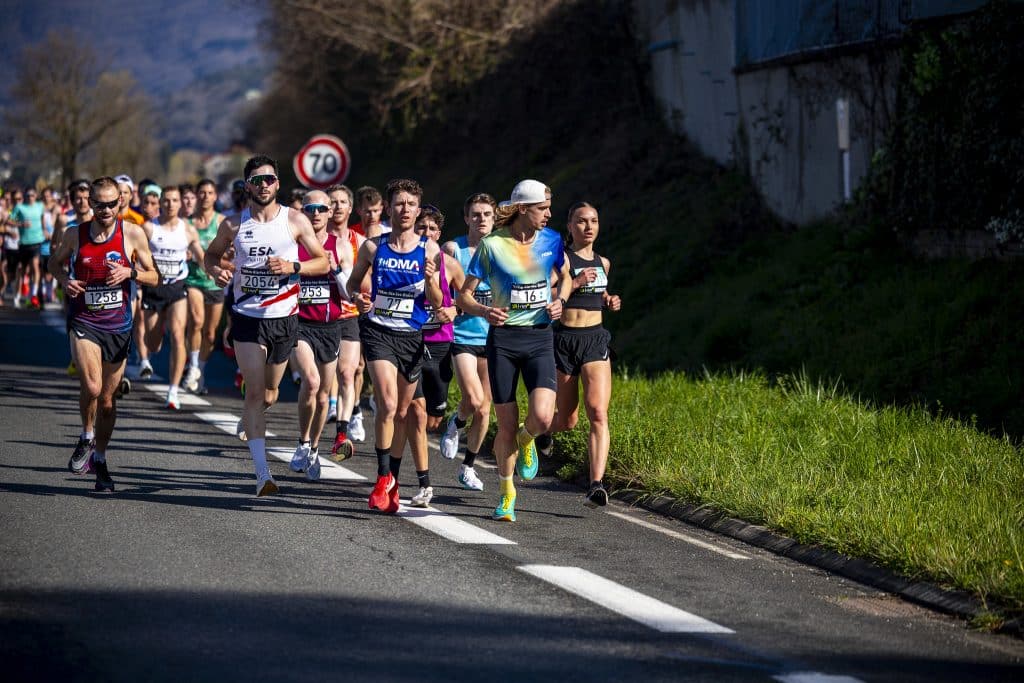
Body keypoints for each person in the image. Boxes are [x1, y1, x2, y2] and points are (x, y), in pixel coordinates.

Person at [203, 154, 329, 496]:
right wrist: (215, 271)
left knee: (271, 392)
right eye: (257, 180)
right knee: (255, 391)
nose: (264, 185)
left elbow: (322, 262)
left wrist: (292, 266)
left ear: (277, 183)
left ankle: (251, 413)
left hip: (284, 319)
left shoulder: (296, 220)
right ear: (247, 186)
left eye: (269, 179)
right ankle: (263, 474)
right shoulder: (233, 225)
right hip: (248, 317)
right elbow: (210, 255)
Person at [458, 179, 571, 522]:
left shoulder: (551, 241)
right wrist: (484, 311)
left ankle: (528, 438)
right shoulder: (492, 245)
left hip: (539, 339)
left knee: (541, 417)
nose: (549, 214)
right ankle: (507, 494)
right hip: (504, 341)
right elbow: (463, 296)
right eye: (542, 208)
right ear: (524, 209)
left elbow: (565, 276)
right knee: (504, 424)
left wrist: (560, 301)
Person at [48, 176, 159, 492]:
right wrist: (64, 279)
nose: (107, 209)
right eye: (100, 204)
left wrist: (131, 272)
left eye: (113, 203)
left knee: (108, 401)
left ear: (120, 202)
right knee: (93, 386)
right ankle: (85, 435)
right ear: (90, 203)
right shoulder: (75, 234)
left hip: (119, 326)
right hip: (85, 321)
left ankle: (100, 458)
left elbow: (154, 276)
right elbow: (53, 264)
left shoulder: (132, 234)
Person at [346, 178, 444, 513]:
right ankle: (381, 477)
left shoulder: (429, 250)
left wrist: (431, 278)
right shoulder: (373, 247)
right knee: (387, 405)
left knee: (403, 412)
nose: (405, 210)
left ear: (418, 210)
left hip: (411, 337)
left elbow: (437, 300)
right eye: (399, 204)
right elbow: (351, 284)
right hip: (378, 332)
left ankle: (393, 480)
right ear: (389, 208)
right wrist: (358, 299)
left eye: (411, 205)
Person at [388, 205, 463, 506]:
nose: (426, 233)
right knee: (413, 414)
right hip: (410, 341)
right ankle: (420, 482)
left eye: (432, 229)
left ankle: (406, 462)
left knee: (433, 418)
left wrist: (455, 308)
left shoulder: (449, 264)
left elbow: (469, 296)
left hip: (441, 344)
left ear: (439, 235)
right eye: (422, 228)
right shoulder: (400, 263)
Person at [548, 202, 621, 507]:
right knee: (567, 420)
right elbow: (546, 294)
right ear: (570, 226)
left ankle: (596, 485)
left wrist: (609, 299)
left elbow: (599, 293)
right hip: (565, 340)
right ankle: (535, 430)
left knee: (598, 412)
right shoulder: (560, 259)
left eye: (593, 221)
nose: (588, 226)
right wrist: (575, 283)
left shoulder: (604, 263)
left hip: (595, 340)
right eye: (581, 221)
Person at [286, 189, 354, 480]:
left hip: (330, 326)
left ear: (330, 212)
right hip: (299, 323)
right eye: (309, 208)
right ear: (302, 212)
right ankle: (302, 442)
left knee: (325, 395)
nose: (315, 214)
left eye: (321, 209)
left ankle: (314, 448)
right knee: (311, 382)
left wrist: (334, 267)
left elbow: (349, 291)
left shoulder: (340, 245)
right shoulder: (291, 243)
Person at [440, 193, 497, 492]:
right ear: (466, 218)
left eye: (487, 214)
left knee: (486, 409)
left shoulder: (503, 251)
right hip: (461, 336)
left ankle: (468, 467)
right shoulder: (454, 249)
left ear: (495, 217)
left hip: (492, 338)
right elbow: (438, 289)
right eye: (476, 214)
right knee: (473, 401)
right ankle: (457, 421)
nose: (482, 219)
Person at [139, 186, 205, 409]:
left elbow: (202, 257)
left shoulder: (188, 230)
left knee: (178, 334)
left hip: (177, 288)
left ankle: (173, 390)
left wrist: (218, 271)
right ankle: (151, 348)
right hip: (153, 289)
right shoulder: (148, 228)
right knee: (153, 343)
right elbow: (135, 254)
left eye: (174, 200)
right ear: (160, 203)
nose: (170, 204)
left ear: (180, 203)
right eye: (166, 200)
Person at [323, 184, 365, 459]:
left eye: (342, 202)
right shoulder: (314, 239)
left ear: (351, 208)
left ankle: (341, 434)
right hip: (318, 319)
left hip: (349, 316)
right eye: (332, 202)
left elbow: (367, 283)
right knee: (320, 384)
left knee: (348, 373)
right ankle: (310, 441)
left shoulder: (360, 243)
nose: (337, 206)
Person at [182, 178, 226, 394]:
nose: (205, 196)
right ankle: (191, 367)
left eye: (210, 193)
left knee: (210, 334)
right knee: (197, 320)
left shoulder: (222, 222)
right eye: (202, 192)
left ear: (215, 196)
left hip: (215, 283)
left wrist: (229, 257)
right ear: (196, 195)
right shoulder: (187, 223)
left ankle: (200, 370)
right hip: (192, 280)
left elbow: (232, 252)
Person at [11, 186, 47, 310]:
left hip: (37, 241)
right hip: (23, 243)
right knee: (22, 270)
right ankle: (16, 297)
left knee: (35, 267)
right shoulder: (19, 207)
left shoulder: (40, 206)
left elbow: (42, 218)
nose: (30, 197)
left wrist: (45, 230)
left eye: (32, 195)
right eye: (28, 195)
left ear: (35, 196)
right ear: (25, 197)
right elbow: (10, 221)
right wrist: (21, 224)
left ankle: (33, 294)